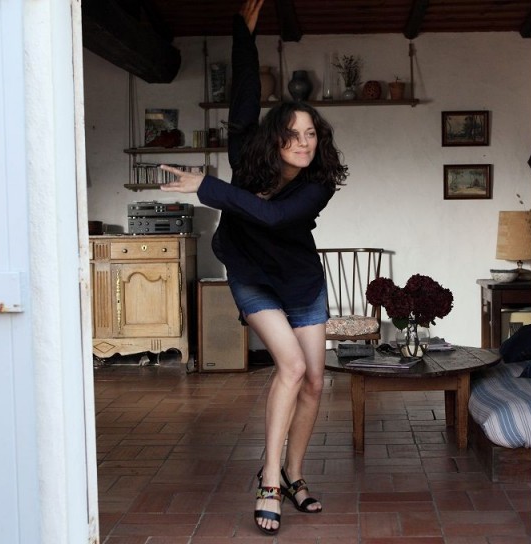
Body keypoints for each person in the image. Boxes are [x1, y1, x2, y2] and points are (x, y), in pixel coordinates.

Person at [159, 0, 348, 534]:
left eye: (312, 134)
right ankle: (268, 480)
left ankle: (294, 474)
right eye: (294, 133)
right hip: (252, 276)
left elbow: (272, 216)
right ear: (275, 137)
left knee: (315, 381)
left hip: (300, 282)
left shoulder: (318, 183)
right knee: (290, 367)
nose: (304, 143)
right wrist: (243, 36)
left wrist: (206, 186)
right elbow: (244, 96)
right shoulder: (248, 156)